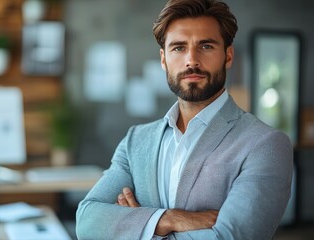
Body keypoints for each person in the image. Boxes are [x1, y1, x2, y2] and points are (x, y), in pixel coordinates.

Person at [75, 0, 293, 239]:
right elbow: (87, 222)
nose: (191, 60)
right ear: (163, 59)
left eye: (206, 46)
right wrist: (169, 219)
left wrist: (138, 228)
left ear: (228, 56)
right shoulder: (136, 141)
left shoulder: (266, 144)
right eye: (178, 48)